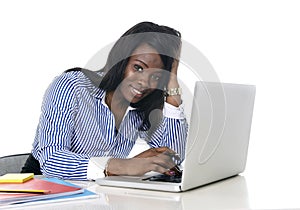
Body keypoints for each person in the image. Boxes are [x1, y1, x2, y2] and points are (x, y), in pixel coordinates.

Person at [21, 21, 188, 180]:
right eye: (138, 67)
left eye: (156, 76)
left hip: (92, 193)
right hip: (41, 189)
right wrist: (123, 166)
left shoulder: (142, 108)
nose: (144, 83)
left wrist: (173, 86)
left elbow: (173, 158)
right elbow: (51, 160)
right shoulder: (72, 86)